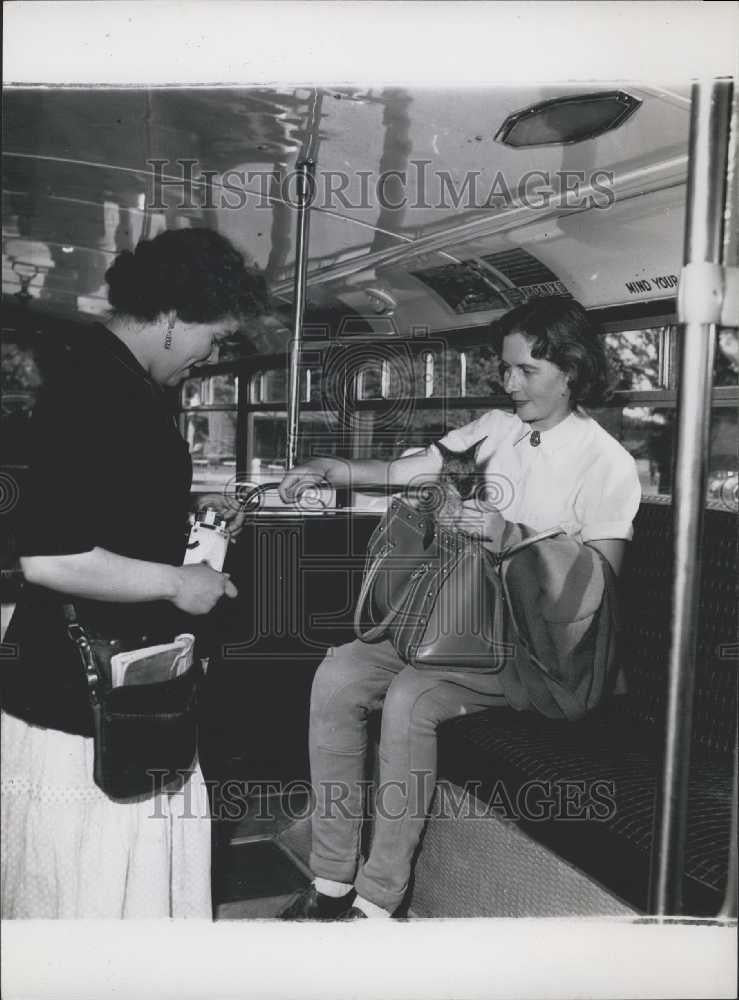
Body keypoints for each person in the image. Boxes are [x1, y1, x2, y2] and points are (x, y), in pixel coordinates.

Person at [277, 296, 641, 920]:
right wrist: (326, 467)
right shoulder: (495, 429)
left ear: (572, 371)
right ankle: (331, 881)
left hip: (535, 653)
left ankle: (378, 900)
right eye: (506, 369)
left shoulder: (607, 461)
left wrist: (512, 536)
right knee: (338, 674)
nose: (510, 382)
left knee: (411, 696)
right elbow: (403, 470)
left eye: (526, 370)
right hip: (457, 624)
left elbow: (597, 592)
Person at [0, 228, 255, 918]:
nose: (211, 355)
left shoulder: (97, 371)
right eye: (215, 336)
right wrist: (181, 582)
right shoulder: (99, 388)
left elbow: (93, 508)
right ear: (173, 318)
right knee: (95, 888)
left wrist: (178, 516)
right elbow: (52, 557)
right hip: (88, 694)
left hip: (94, 682)